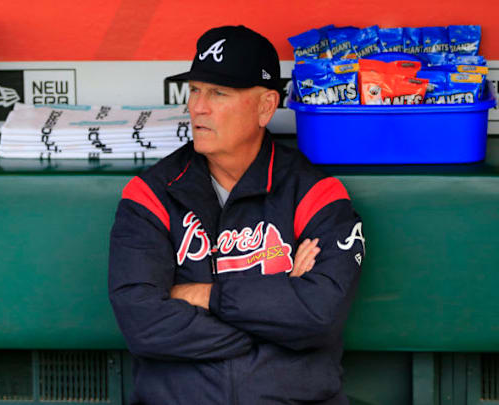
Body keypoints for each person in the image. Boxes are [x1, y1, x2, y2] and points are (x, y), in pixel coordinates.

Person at [108, 25, 365, 404]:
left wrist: (207, 297)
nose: (197, 106)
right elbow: (143, 325)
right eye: (194, 89)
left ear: (265, 107)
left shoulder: (313, 193)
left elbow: (319, 317)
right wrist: (275, 316)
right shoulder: (151, 194)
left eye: (218, 93)